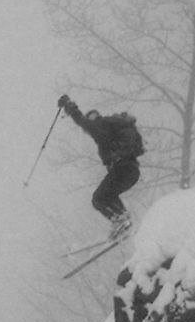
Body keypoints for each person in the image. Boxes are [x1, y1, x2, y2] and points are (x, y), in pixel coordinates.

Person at [57, 95, 144, 236]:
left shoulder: (102, 126)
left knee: (98, 199)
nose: (88, 131)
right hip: (132, 171)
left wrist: (70, 107)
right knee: (107, 196)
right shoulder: (119, 128)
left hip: (121, 168)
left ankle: (121, 219)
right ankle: (122, 219)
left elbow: (84, 123)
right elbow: (138, 149)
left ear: (94, 118)